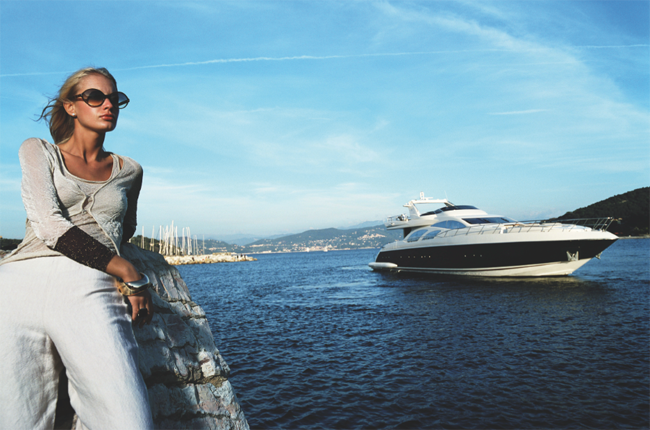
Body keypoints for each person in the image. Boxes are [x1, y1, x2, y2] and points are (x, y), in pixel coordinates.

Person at [0, 67, 155, 430]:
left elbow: (125, 229)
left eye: (115, 98)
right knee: (16, 418)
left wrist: (116, 265)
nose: (108, 105)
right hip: (17, 287)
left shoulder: (130, 171)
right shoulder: (37, 150)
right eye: (95, 97)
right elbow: (48, 224)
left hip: (88, 283)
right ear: (70, 106)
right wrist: (128, 271)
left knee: (127, 419)